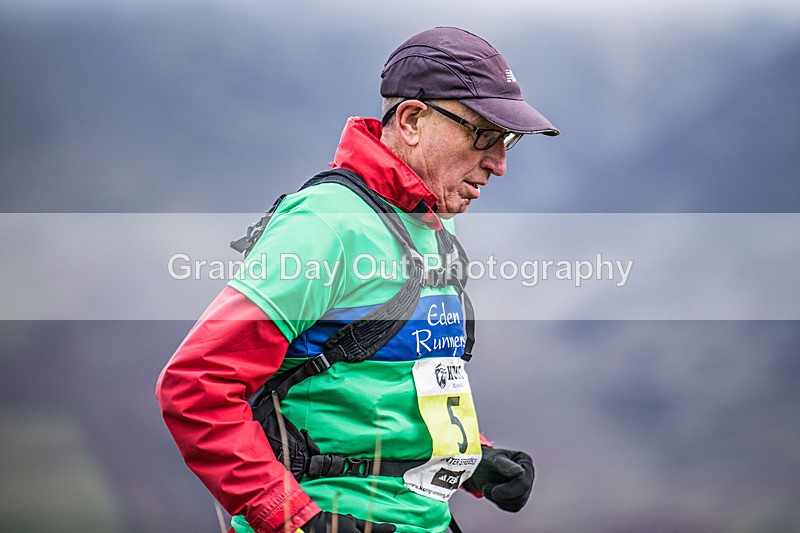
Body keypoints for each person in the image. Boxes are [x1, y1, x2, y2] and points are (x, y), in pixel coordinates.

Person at [156, 26, 558, 533]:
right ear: (412, 119)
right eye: (484, 135)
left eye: (508, 140)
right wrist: (297, 522)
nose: (499, 164)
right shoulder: (326, 225)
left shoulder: (431, 220)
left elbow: (382, 382)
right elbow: (196, 385)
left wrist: (470, 461)